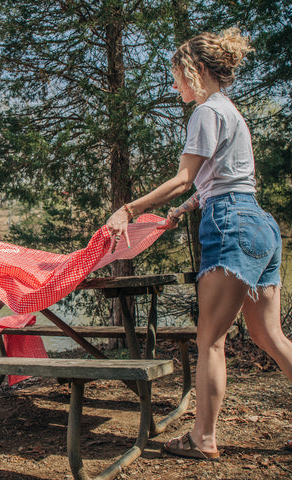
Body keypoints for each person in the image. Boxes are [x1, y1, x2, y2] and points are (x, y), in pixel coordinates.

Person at [106, 27, 292, 459]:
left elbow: (185, 177)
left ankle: (202, 438)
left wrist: (128, 210)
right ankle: (203, 434)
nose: (175, 85)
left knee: (210, 340)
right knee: (269, 335)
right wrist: (185, 210)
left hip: (231, 227)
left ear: (198, 70)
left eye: (177, 76)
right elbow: (223, 180)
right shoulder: (231, 111)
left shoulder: (206, 112)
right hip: (258, 224)